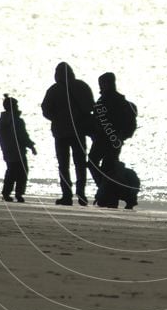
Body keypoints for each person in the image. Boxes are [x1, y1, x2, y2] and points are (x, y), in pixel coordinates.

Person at [41, 62, 94, 206]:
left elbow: (45, 110)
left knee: (63, 165)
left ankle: (66, 195)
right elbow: (91, 106)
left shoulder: (54, 89)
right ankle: (81, 194)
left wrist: (57, 118)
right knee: (80, 164)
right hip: (79, 131)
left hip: (60, 133)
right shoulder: (82, 87)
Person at [88, 72, 137, 208]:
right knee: (108, 168)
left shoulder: (106, 100)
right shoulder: (120, 101)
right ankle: (110, 192)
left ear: (107, 83)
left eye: (102, 84)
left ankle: (111, 192)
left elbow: (100, 120)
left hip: (105, 139)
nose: (100, 86)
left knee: (96, 164)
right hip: (114, 140)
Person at [0, 94, 37, 202]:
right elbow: (23, 136)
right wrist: (31, 146)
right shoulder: (17, 121)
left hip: (7, 149)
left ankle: (6, 192)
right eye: (16, 105)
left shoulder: (1, 121)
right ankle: (18, 193)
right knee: (22, 172)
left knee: (11, 171)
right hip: (18, 150)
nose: (17, 107)